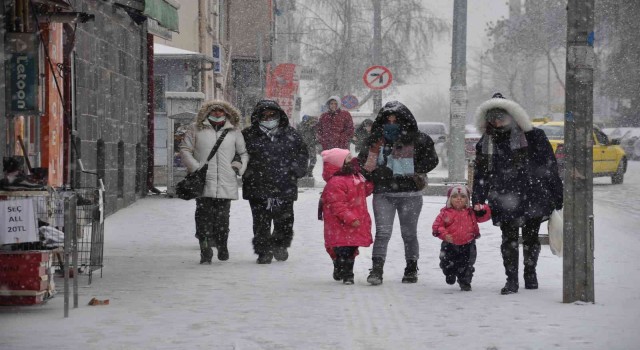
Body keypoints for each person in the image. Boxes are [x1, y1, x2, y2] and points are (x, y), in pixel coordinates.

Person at [472, 93, 563, 295]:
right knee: (509, 239)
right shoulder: (486, 142)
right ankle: (511, 279)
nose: (497, 122)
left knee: (531, 238)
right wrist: (477, 199)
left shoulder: (534, 136)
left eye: (501, 117)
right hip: (503, 196)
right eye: (492, 118)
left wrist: (557, 195)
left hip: (533, 194)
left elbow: (549, 166)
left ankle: (530, 273)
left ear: (513, 116)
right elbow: (481, 173)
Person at [358, 101, 439, 285]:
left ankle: (411, 268)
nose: (392, 123)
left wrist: (409, 169)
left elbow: (432, 160)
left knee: (409, 233)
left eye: (396, 120)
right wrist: (379, 172)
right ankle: (377, 270)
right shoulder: (374, 140)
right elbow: (364, 163)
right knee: (382, 233)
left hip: (410, 194)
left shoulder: (419, 139)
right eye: (388, 119)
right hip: (383, 193)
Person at [179, 100, 249, 264]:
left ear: (227, 113)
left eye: (221, 111)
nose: (217, 114)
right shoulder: (195, 129)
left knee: (223, 217)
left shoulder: (234, 131)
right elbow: (185, 149)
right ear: (207, 112)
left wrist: (237, 166)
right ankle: (205, 248)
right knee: (203, 216)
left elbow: (242, 153)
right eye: (214, 111)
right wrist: (196, 167)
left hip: (226, 180)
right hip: (203, 180)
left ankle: (222, 244)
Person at [242, 100, 309, 264]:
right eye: (264, 115)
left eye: (272, 115)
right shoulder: (248, 134)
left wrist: (295, 170)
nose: (268, 118)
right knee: (260, 221)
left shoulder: (291, 134)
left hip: (284, 185)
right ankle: (263, 251)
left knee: (284, 221)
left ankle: (280, 246)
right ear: (257, 117)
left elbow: (303, 154)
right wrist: (246, 170)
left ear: (279, 115)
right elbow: (239, 154)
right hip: (257, 184)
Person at [320, 148, 374, 285]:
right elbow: (337, 205)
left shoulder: (355, 176)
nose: (353, 160)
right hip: (340, 223)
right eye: (349, 158)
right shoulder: (336, 182)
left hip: (354, 219)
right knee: (342, 249)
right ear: (340, 163)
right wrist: (350, 218)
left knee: (351, 249)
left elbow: (363, 191)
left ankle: (346, 272)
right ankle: (344, 271)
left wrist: (371, 182)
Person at [432, 185, 491, 291]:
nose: (459, 199)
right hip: (450, 244)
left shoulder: (471, 213)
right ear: (450, 200)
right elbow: (437, 226)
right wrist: (444, 234)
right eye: (455, 196)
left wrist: (482, 208)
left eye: (462, 196)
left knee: (467, 265)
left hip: (468, 243)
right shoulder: (445, 213)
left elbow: (485, 216)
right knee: (446, 262)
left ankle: (465, 281)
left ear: (467, 200)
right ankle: (449, 273)